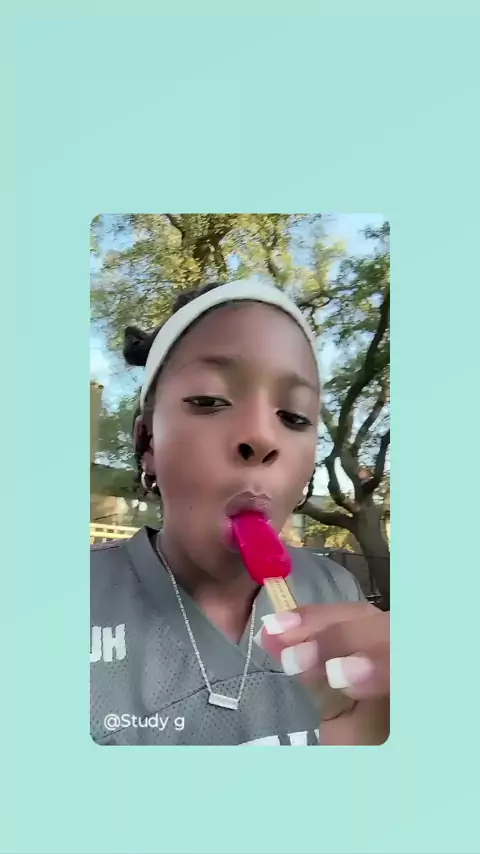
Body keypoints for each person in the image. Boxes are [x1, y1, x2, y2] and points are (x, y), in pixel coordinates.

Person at [90, 281, 390, 746]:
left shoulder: (335, 588)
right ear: (148, 442)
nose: (261, 438)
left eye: (294, 417)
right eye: (209, 400)